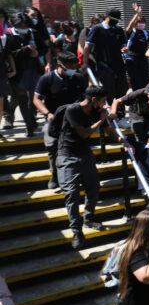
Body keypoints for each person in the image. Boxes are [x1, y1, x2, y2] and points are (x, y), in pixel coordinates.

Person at [57, 86, 128, 249]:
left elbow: (109, 131)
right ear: (94, 99)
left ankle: (88, 219)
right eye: (103, 100)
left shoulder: (97, 111)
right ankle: (77, 231)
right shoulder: (72, 110)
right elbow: (84, 133)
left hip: (85, 154)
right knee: (71, 194)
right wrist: (101, 121)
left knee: (94, 189)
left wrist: (124, 141)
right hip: (67, 154)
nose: (105, 104)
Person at [33, 51, 88, 189]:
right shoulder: (47, 79)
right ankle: (55, 174)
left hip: (74, 119)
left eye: (75, 66)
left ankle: (78, 174)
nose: (73, 69)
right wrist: (48, 114)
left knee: (79, 146)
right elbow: (36, 99)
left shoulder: (79, 78)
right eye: (70, 67)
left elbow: (85, 97)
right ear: (60, 65)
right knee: (52, 146)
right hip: (54, 120)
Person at [3, 12, 40, 136]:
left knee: (33, 98)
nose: (24, 28)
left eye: (25, 26)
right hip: (17, 73)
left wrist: (37, 53)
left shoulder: (33, 33)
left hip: (33, 71)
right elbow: (8, 55)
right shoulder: (8, 35)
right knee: (22, 99)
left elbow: (44, 48)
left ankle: (31, 119)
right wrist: (24, 49)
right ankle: (29, 127)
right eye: (21, 26)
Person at [81, 7, 129, 102]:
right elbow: (87, 46)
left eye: (117, 20)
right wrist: (85, 62)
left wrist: (125, 48)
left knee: (122, 90)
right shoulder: (97, 29)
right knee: (109, 91)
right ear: (105, 16)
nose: (115, 22)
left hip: (119, 65)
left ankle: (120, 109)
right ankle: (108, 109)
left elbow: (123, 44)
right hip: (104, 65)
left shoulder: (118, 29)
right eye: (113, 19)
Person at [124, 4, 149, 90]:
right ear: (135, 23)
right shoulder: (131, 31)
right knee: (136, 81)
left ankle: (144, 96)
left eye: (143, 22)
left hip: (143, 59)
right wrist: (137, 14)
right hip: (132, 59)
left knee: (145, 80)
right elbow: (130, 26)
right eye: (139, 22)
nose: (142, 24)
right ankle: (137, 96)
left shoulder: (146, 33)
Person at [0, 15, 17, 138]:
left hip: (1, 74)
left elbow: (9, 56)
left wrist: (14, 69)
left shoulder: (3, 40)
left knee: (0, 101)